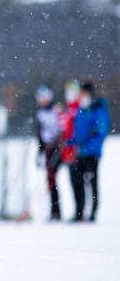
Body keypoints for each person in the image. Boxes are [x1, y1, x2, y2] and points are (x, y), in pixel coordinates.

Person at [67, 82, 111, 222]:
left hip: (91, 154)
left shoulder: (98, 110)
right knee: (77, 181)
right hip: (80, 153)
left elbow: (101, 132)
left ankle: (92, 213)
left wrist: (88, 147)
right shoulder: (81, 110)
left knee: (92, 183)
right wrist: (70, 143)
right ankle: (79, 212)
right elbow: (78, 132)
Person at [35, 86, 63, 221]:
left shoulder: (56, 112)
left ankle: (57, 211)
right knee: (50, 181)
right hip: (47, 149)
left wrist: (58, 147)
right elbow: (40, 135)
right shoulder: (40, 114)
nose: (44, 101)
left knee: (53, 179)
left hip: (57, 149)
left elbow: (62, 131)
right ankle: (54, 211)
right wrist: (39, 152)